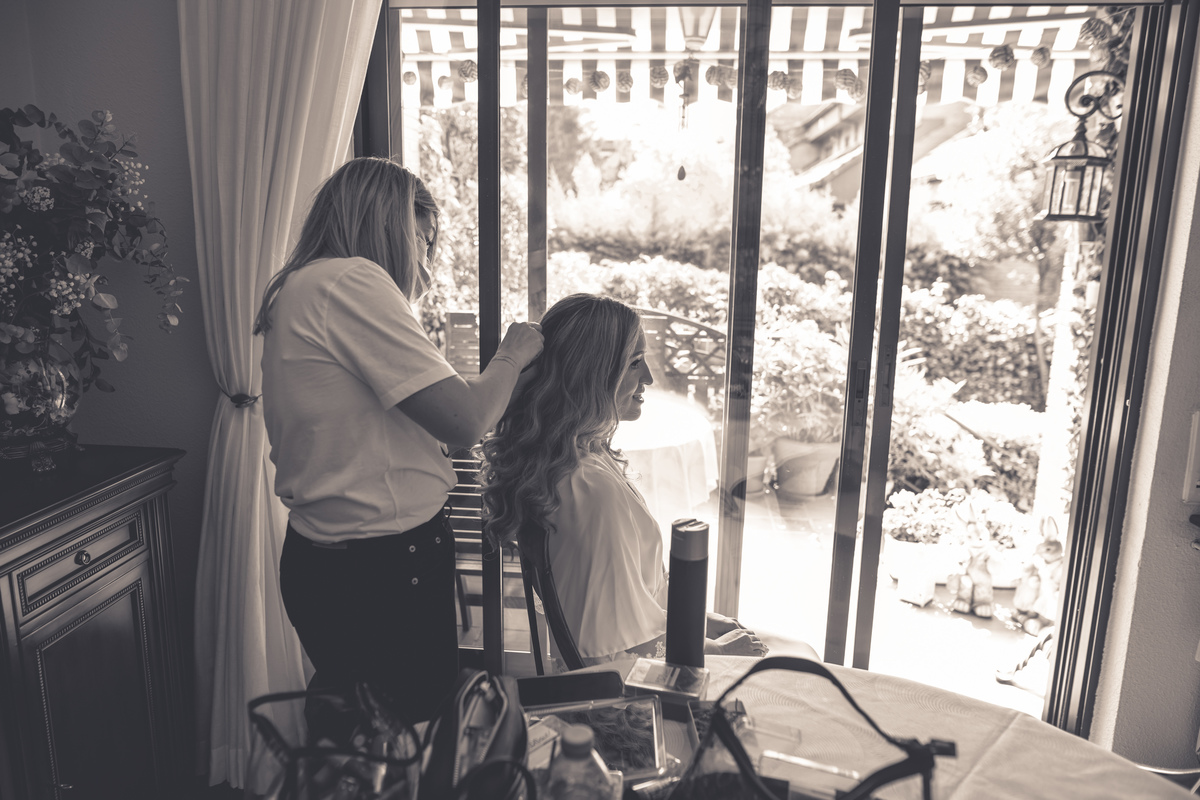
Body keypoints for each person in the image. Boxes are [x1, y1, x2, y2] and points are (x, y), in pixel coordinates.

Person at [254, 157, 543, 721]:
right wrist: (512, 355)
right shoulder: (350, 281)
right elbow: (464, 421)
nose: (425, 259)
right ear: (385, 223)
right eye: (422, 241)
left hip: (328, 560)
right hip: (382, 569)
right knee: (408, 730)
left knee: (358, 726)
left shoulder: (303, 287)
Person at [479, 294, 769, 668]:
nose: (648, 377)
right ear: (590, 375)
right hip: (623, 691)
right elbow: (615, 654)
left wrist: (701, 622)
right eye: (634, 363)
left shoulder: (573, 457)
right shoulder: (590, 490)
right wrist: (722, 653)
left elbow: (628, 609)